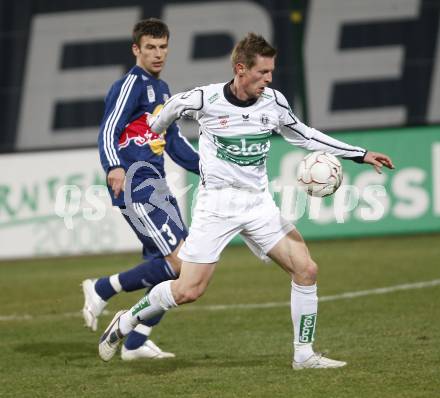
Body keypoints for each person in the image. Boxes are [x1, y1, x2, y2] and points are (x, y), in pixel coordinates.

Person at [98, 33, 394, 369]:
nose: (268, 80)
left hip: (258, 205)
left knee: (306, 269)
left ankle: (304, 355)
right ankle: (127, 320)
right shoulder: (205, 99)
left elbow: (307, 135)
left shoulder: (274, 103)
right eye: (262, 72)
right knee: (188, 290)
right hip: (217, 207)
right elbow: (167, 112)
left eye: (271, 72)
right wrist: (155, 126)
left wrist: (360, 154)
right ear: (241, 69)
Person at [83, 18, 199, 360]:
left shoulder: (163, 91)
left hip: (156, 185)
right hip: (135, 182)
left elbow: (174, 142)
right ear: (136, 49)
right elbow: (107, 131)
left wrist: (208, 169)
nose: (158, 53)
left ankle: (134, 343)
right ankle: (103, 288)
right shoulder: (129, 85)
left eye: (163, 46)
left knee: (172, 266)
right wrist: (113, 166)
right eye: (150, 47)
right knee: (182, 263)